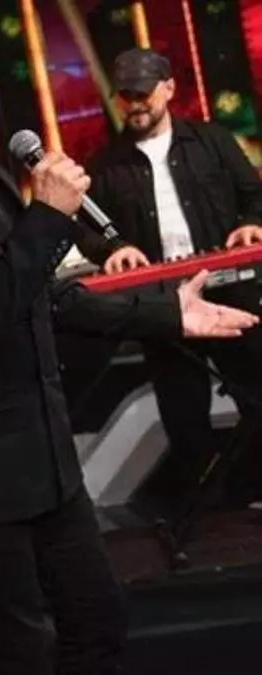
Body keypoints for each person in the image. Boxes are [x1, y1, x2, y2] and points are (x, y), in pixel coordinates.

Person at [0, 26, 259, 675]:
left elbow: (45, 296)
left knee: (99, 624)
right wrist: (45, 217)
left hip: (44, 464)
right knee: (21, 652)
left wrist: (166, 313)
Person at [74, 47, 262, 505]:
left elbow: (255, 195)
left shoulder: (212, 141)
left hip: (231, 292)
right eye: (125, 95)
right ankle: (209, 515)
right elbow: (84, 229)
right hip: (163, 307)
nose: (134, 103)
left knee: (257, 394)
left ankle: (252, 492)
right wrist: (114, 249)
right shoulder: (105, 164)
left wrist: (252, 224)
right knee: (183, 417)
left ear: (169, 88)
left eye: (142, 93)